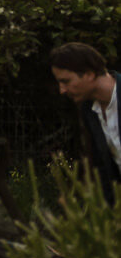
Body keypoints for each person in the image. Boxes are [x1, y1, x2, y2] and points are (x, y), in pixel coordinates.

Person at [50, 41, 121, 194]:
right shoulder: (89, 110)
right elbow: (104, 170)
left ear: (89, 74)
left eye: (66, 81)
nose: (62, 90)